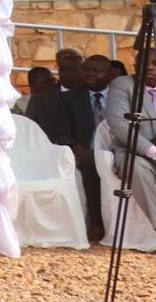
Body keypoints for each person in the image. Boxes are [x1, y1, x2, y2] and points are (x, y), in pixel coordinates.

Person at [100, 38, 156, 258]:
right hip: (137, 153)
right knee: (134, 167)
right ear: (135, 68)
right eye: (144, 64)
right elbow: (118, 124)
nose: (150, 69)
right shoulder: (122, 85)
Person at [28, 47, 104, 244]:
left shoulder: (92, 93)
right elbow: (32, 129)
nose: (68, 74)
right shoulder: (43, 98)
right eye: (64, 70)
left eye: (74, 69)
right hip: (59, 151)